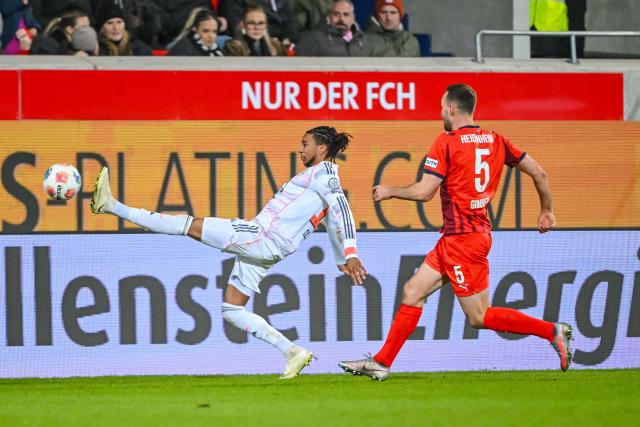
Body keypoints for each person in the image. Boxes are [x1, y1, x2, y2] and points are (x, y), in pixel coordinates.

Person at [90, 126, 367, 379]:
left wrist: (351, 252)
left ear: (321, 149)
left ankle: (111, 206)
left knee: (186, 225)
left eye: (305, 144)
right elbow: (332, 222)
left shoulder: (325, 175)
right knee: (232, 308)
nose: (300, 149)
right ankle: (293, 352)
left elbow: (342, 210)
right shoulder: (317, 178)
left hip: (261, 236)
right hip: (269, 248)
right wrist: (342, 258)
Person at [339, 84, 572, 381]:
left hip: (464, 240)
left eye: (441, 106)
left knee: (479, 316)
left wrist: (390, 191)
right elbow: (539, 172)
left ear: (451, 108)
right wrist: (547, 210)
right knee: (413, 292)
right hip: (461, 236)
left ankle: (552, 331)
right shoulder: (496, 139)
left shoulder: (446, 142)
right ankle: (381, 362)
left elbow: (425, 192)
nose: (440, 112)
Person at [295, 0, 371, 57]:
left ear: (353, 18)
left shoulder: (362, 40)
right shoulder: (313, 40)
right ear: (329, 17)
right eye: (336, 14)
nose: (341, 19)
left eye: (346, 14)